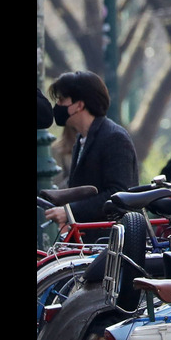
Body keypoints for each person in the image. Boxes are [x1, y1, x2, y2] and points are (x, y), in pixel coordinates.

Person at [45, 70, 139, 227]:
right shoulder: (82, 139)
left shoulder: (114, 138)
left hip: (109, 240)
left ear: (79, 105)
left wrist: (70, 212)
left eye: (62, 100)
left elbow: (118, 194)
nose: (58, 106)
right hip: (90, 238)